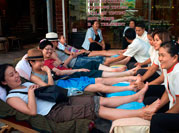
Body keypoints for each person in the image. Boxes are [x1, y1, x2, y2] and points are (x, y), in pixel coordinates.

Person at [0, 63, 161, 122]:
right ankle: (141, 113)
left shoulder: (25, 83)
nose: (16, 76)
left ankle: (135, 95)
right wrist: (30, 94)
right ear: (4, 82)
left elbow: (48, 87)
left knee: (97, 100)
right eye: (11, 75)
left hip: (60, 100)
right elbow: (32, 112)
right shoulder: (11, 97)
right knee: (98, 110)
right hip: (54, 112)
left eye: (15, 72)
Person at [27, 48, 139, 94]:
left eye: (42, 60)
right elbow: (50, 88)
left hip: (65, 80)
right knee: (98, 85)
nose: (42, 63)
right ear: (31, 62)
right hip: (61, 87)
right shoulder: (34, 76)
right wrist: (48, 72)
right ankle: (129, 86)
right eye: (39, 61)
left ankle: (128, 77)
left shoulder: (48, 62)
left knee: (98, 80)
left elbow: (61, 69)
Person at [39, 40, 137, 78]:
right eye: (47, 50)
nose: (50, 52)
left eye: (51, 50)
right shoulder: (46, 63)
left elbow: (63, 66)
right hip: (69, 75)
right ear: (41, 50)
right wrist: (78, 69)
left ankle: (113, 70)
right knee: (90, 70)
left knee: (93, 63)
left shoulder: (52, 57)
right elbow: (59, 73)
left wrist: (71, 56)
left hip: (71, 69)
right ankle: (124, 74)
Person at [58, 35, 124, 57]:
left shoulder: (65, 45)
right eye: (63, 38)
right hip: (82, 54)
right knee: (103, 52)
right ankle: (120, 52)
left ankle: (120, 52)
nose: (65, 39)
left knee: (104, 52)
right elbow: (71, 54)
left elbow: (74, 49)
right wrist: (81, 52)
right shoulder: (63, 47)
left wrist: (81, 50)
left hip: (83, 51)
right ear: (59, 40)